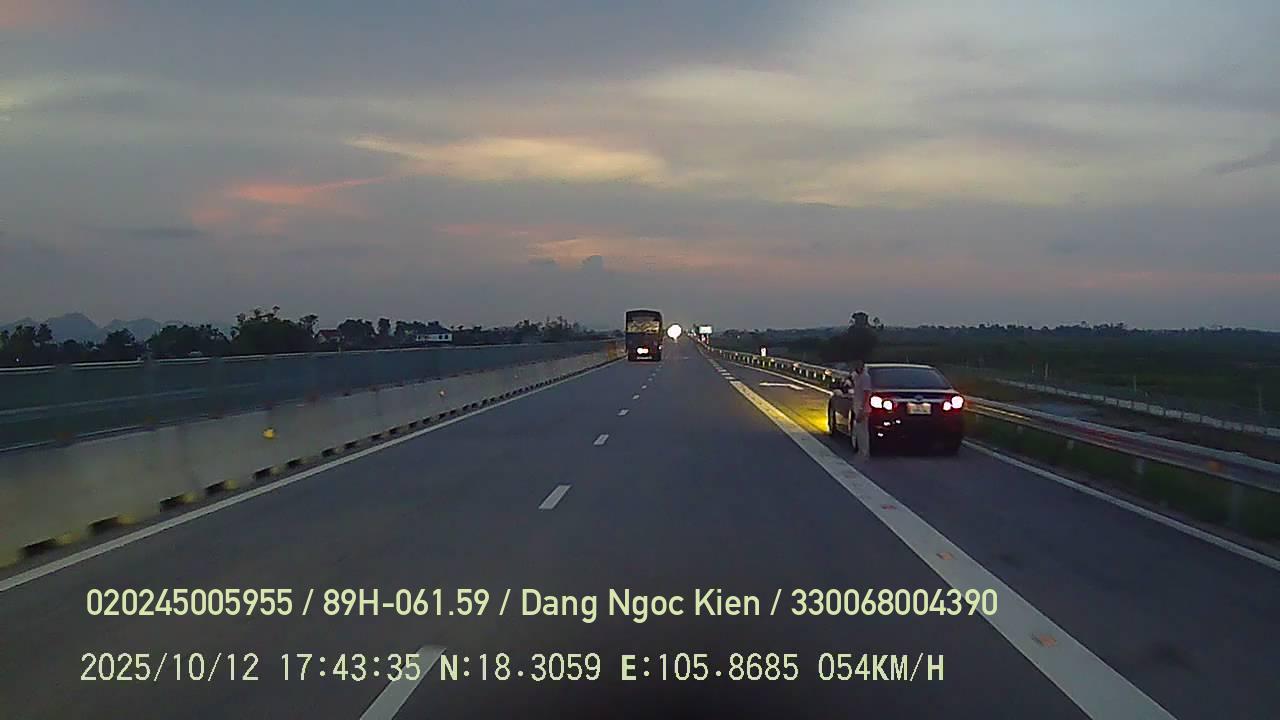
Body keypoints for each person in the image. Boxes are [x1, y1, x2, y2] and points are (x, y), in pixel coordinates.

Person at [850, 358, 871, 458]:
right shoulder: (855, 376)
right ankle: (861, 450)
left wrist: (862, 408)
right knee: (858, 429)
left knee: (863, 430)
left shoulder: (865, 377)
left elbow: (867, 393)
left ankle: (864, 451)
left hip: (863, 408)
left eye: (859, 365)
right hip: (857, 406)